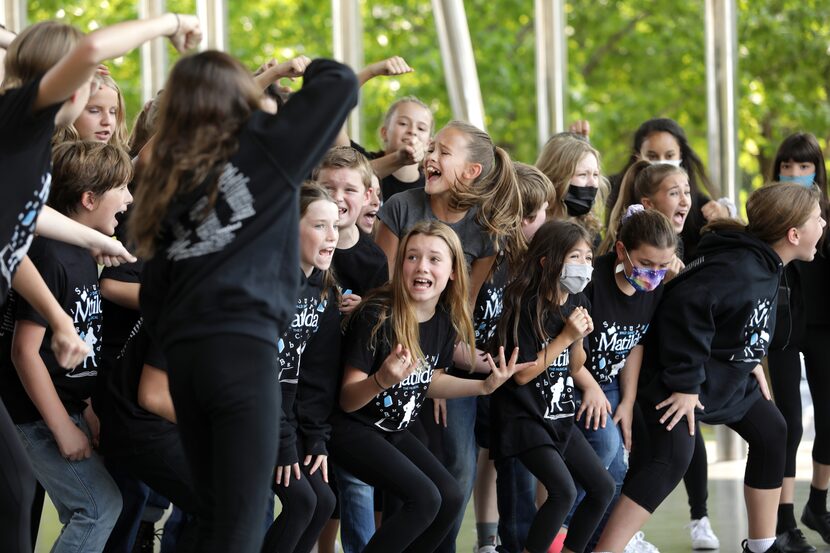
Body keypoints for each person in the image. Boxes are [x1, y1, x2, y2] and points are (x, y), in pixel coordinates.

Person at [130, 50, 357, 552]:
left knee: (215, 511)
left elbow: (154, 293)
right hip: (242, 350)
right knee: (241, 519)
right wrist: (305, 69)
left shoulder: (170, 177)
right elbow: (340, 83)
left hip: (188, 362)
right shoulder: (263, 149)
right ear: (241, 99)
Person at [0, 16, 193, 552]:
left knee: (33, 498)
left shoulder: (29, 146)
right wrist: (174, 22)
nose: (93, 93)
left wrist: (98, 247)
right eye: (88, 87)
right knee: (25, 494)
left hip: (61, 386)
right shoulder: (19, 121)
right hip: (26, 396)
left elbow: (21, 222)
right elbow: (88, 48)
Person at [594, 182, 826, 553]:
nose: (824, 224)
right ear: (794, 233)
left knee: (771, 431)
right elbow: (685, 305)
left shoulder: (764, 262)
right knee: (671, 459)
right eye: (818, 218)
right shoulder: (741, 267)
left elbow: (739, 317)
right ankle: (607, 548)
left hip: (723, 376)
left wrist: (751, 360)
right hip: (676, 378)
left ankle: (763, 545)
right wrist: (685, 384)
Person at [329, 220, 528, 552]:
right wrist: (382, 380)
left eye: (434, 259)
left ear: (452, 271)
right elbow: (348, 400)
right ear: (401, 265)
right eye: (412, 257)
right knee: (424, 498)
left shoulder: (444, 319)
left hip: (391, 429)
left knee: (448, 497)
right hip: (352, 429)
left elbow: (428, 380)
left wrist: (483, 388)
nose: (421, 266)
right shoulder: (377, 315)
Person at [0, 140, 133, 552]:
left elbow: (82, 342)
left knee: (104, 504)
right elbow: (25, 352)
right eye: (122, 188)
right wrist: (61, 426)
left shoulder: (80, 252)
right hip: (35, 415)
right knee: (97, 507)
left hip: (65, 407)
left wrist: (87, 410)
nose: (129, 197)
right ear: (89, 198)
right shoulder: (51, 256)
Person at [494, 219, 616, 553]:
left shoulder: (577, 303)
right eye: (575, 257)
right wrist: (565, 337)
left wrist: (576, 340)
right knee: (563, 492)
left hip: (557, 415)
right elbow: (521, 374)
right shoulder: (522, 304)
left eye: (589, 258)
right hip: (525, 418)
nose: (585, 265)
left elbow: (576, 366)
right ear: (547, 261)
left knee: (602, 487)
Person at [564, 206, 677, 552]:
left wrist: (626, 402)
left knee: (618, 468)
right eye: (646, 264)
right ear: (621, 251)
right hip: (573, 380)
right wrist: (592, 389)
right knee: (605, 450)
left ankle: (597, 544)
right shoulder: (591, 284)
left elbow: (635, 345)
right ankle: (563, 533)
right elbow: (566, 350)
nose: (654, 274)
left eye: (663, 266)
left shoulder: (653, 289)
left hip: (611, 384)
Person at [264, 183, 340, 553]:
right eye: (319, 226)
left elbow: (316, 377)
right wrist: (282, 443)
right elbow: (260, 372)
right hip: (254, 416)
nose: (331, 236)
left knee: (323, 501)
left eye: (335, 226)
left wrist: (315, 439)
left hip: (288, 419)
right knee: (302, 502)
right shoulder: (270, 286)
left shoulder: (323, 290)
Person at [766, 132, 830, 553]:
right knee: (788, 422)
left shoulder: (826, 217)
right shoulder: (768, 213)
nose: (794, 173)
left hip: (824, 327)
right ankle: (785, 519)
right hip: (782, 332)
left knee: (827, 418)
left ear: (816, 171)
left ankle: (818, 505)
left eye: (803, 166)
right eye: (787, 166)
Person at [535, 133, 607, 244]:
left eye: (595, 175)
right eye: (583, 174)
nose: (592, 183)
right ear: (557, 177)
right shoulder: (531, 226)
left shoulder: (591, 231)